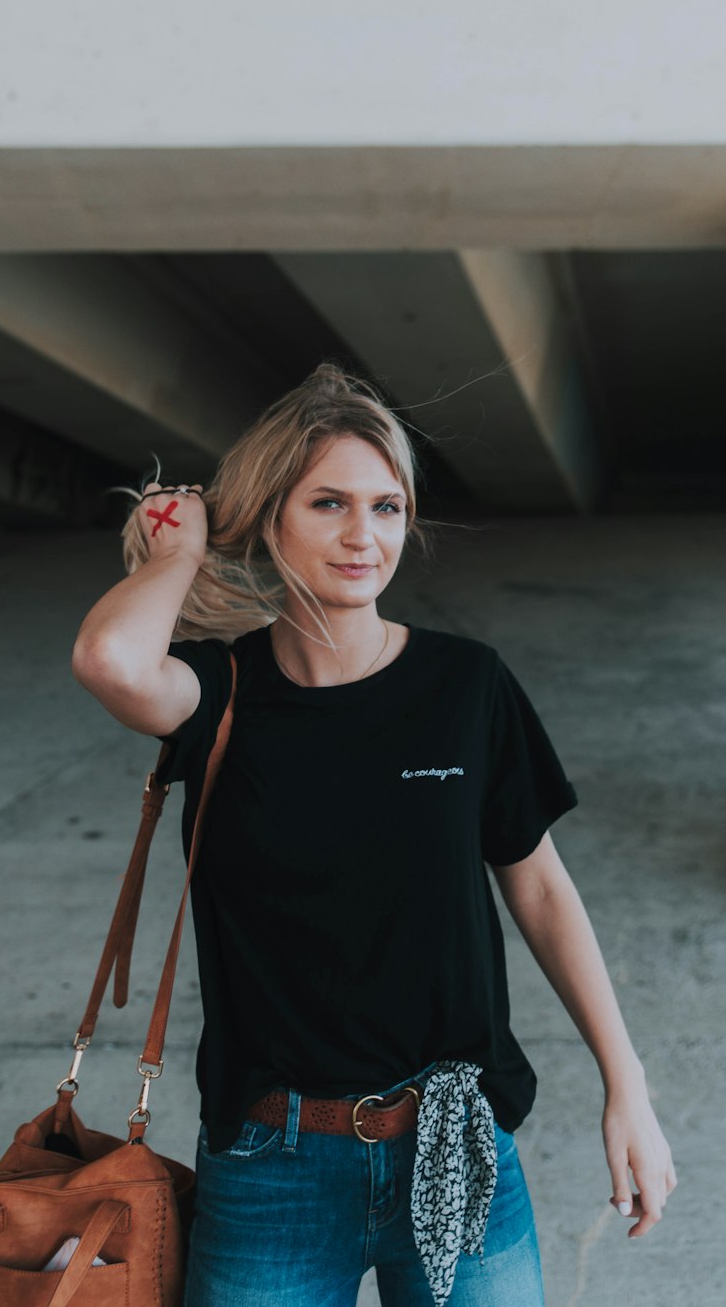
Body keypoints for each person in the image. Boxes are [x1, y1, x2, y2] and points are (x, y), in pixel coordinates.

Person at [72, 361, 676, 1307]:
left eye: (387, 507)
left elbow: (541, 887)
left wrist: (625, 1084)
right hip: (272, 1163)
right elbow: (109, 658)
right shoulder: (217, 692)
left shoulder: (466, 688)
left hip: (458, 1146)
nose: (365, 536)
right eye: (328, 504)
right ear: (273, 517)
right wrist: (176, 556)